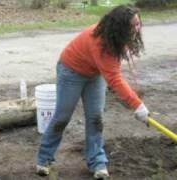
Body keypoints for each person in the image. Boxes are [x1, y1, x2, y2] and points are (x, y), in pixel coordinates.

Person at [36, 5, 149, 179]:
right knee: (62, 116)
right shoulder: (99, 41)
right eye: (132, 25)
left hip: (95, 74)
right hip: (71, 71)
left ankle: (97, 162)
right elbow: (114, 78)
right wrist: (137, 104)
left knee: (96, 117)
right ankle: (44, 159)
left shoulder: (118, 35)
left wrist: (134, 101)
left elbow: (111, 72)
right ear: (119, 26)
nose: (136, 29)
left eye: (138, 24)